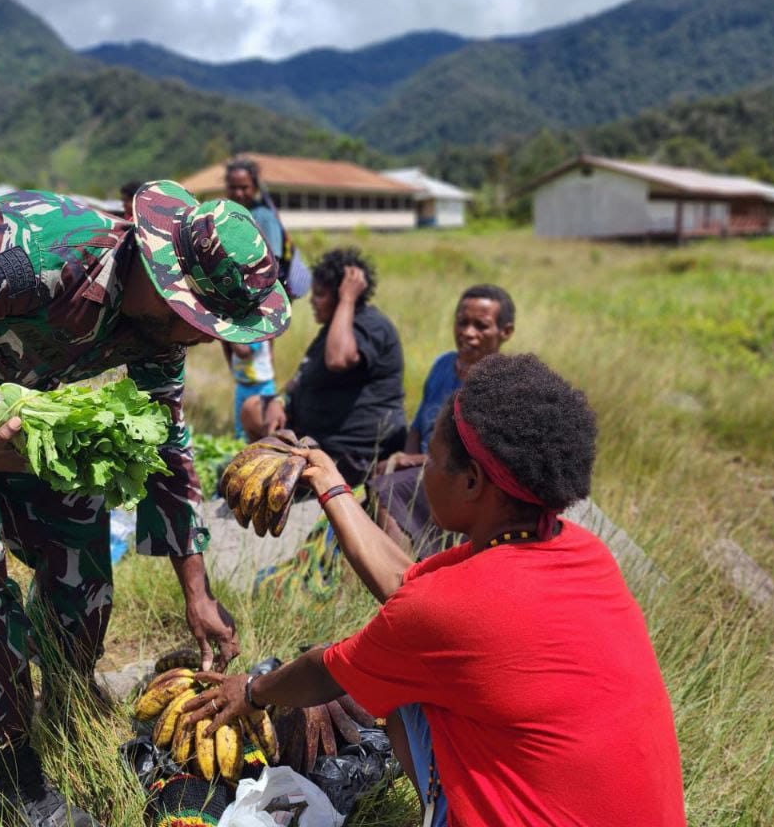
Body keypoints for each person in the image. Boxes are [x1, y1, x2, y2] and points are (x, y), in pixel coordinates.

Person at [0, 181, 289, 825]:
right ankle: (13, 774)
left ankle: (63, 702)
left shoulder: (162, 332)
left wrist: (196, 590)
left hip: (25, 419)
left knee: (82, 567)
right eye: (205, 323)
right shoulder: (35, 252)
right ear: (165, 281)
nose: (206, 340)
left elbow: (166, 442)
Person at [183, 353, 686, 827]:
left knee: (405, 694)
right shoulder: (579, 550)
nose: (420, 470)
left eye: (434, 459)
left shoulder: (449, 609)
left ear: (471, 484)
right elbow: (411, 587)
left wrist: (249, 691)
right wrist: (331, 483)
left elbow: (329, 670)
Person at [372, 284, 515, 556]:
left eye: (480, 326)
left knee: (389, 490)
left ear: (505, 332)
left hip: (462, 479)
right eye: (462, 323)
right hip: (428, 471)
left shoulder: (502, 383)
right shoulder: (443, 365)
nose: (467, 333)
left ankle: (398, 580)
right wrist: (404, 459)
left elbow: (481, 461)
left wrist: (416, 464)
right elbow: (417, 428)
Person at [244, 247, 405, 485]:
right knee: (253, 408)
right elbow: (300, 380)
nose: (312, 301)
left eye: (319, 295)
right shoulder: (330, 331)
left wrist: (348, 298)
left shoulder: (369, 325)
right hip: (313, 431)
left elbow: (338, 359)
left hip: (350, 451)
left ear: (340, 297)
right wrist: (280, 401)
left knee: (258, 480)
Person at [223, 160, 283, 438]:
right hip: (234, 304)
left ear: (255, 186)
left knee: (256, 366)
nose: (238, 193)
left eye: (244, 187)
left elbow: (271, 266)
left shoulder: (263, 217)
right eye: (232, 187)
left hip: (257, 305)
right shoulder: (230, 218)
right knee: (242, 372)